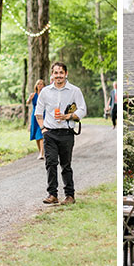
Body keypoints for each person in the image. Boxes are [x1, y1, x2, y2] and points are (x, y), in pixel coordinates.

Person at [35, 61, 86, 205]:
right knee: (50, 163)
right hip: (50, 133)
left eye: (61, 73)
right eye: (56, 73)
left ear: (66, 74)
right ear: (52, 75)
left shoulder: (74, 91)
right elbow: (38, 113)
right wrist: (43, 129)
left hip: (67, 133)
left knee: (66, 164)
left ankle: (70, 195)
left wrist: (68, 116)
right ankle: (52, 194)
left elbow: (82, 110)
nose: (58, 76)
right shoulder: (45, 92)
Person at [27, 79, 45, 159]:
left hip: (42, 115)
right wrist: (29, 98)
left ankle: (42, 153)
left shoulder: (45, 94)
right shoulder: (33, 95)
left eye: (41, 84)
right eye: (38, 84)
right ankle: (40, 151)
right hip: (34, 115)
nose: (40, 85)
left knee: (40, 134)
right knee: (36, 135)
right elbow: (27, 102)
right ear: (36, 86)